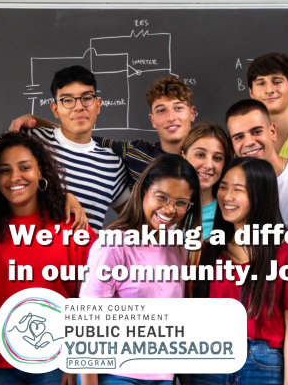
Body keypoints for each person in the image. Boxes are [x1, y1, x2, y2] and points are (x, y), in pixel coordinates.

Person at [79, 154, 202, 385]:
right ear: (144, 189)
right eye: (161, 196)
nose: (169, 209)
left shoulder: (178, 246)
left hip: (163, 377)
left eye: (180, 202)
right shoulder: (113, 244)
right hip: (117, 375)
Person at [191, 158, 288, 385]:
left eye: (238, 189)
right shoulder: (209, 249)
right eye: (223, 187)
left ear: (260, 195)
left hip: (262, 362)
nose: (227, 197)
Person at [0, 132, 96, 385]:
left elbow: (93, 300)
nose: (15, 177)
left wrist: (78, 359)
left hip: (56, 363)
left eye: (25, 167)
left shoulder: (72, 226)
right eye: (4, 170)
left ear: (41, 172)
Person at [10, 75, 196, 188]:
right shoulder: (136, 153)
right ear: (152, 120)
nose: (171, 117)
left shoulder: (210, 157)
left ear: (192, 113)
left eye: (178, 108)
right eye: (161, 110)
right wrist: (36, 120)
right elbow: (80, 136)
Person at [8, 65, 130, 233]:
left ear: (98, 105)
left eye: (86, 98)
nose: (79, 107)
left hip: (84, 257)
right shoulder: (30, 141)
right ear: (55, 109)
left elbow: (135, 219)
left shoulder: (112, 165)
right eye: (67, 100)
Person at [225, 99, 288, 231]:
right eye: (238, 137)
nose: (248, 142)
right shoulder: (228, 190)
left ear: (272, 132)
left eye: (256, 132)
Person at [181, 123, 233, 239]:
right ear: (183, 156)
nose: (209, 165)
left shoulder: (228, 214)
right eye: (200, 155)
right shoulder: (162, 208)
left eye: (217, 158)